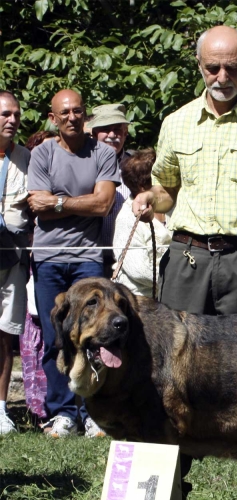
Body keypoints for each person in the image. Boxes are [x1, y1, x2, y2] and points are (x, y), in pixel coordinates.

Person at [132, 25, 237, 500]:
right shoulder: (176, 123)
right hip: (187, 260)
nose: (222, 75)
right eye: (213, 67)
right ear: (199, 66)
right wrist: (149, 199)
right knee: (167, 377)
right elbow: (166, 190)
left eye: (233, 66)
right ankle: (164, 495)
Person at [27, 89, 120, 438]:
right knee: (56, 338)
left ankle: (94, 411)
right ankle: (63, 413)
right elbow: (37, 205)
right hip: (49, 259)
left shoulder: (103, 153)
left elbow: (103, 205)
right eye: (64, 112)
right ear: (53, 118)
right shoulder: (42, 154)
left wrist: (60, 203)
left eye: (77, 111)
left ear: (86, 116)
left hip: (88, 259)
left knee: (97, 336)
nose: (71, 117)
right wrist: (73, 203)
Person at [19, 130, 58, 424]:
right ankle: (38, 408)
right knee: (32, 341)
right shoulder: (28, 179)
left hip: (52, 259)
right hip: (30, 263)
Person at [0, 91, 32, 435]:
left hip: (13, 257)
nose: (12, 120)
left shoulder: (27, 158)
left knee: (4, 335)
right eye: (5, 114)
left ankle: (1, 409)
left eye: (16, 115)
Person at [113, 148, 171, 297]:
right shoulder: (127, 218)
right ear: (142, 186)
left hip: (171, 297)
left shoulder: (171, 208)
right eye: (159, 180)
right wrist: (180, 280)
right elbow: (139, 271)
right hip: (141, 301)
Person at [89, 103, 132, 275]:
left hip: (126, 258)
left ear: (125, 133)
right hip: (90, 257)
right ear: (93, 133)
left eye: (118, 129)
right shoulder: (83, 163)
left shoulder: (135, 166)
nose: (112, 135)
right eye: (106, 129)